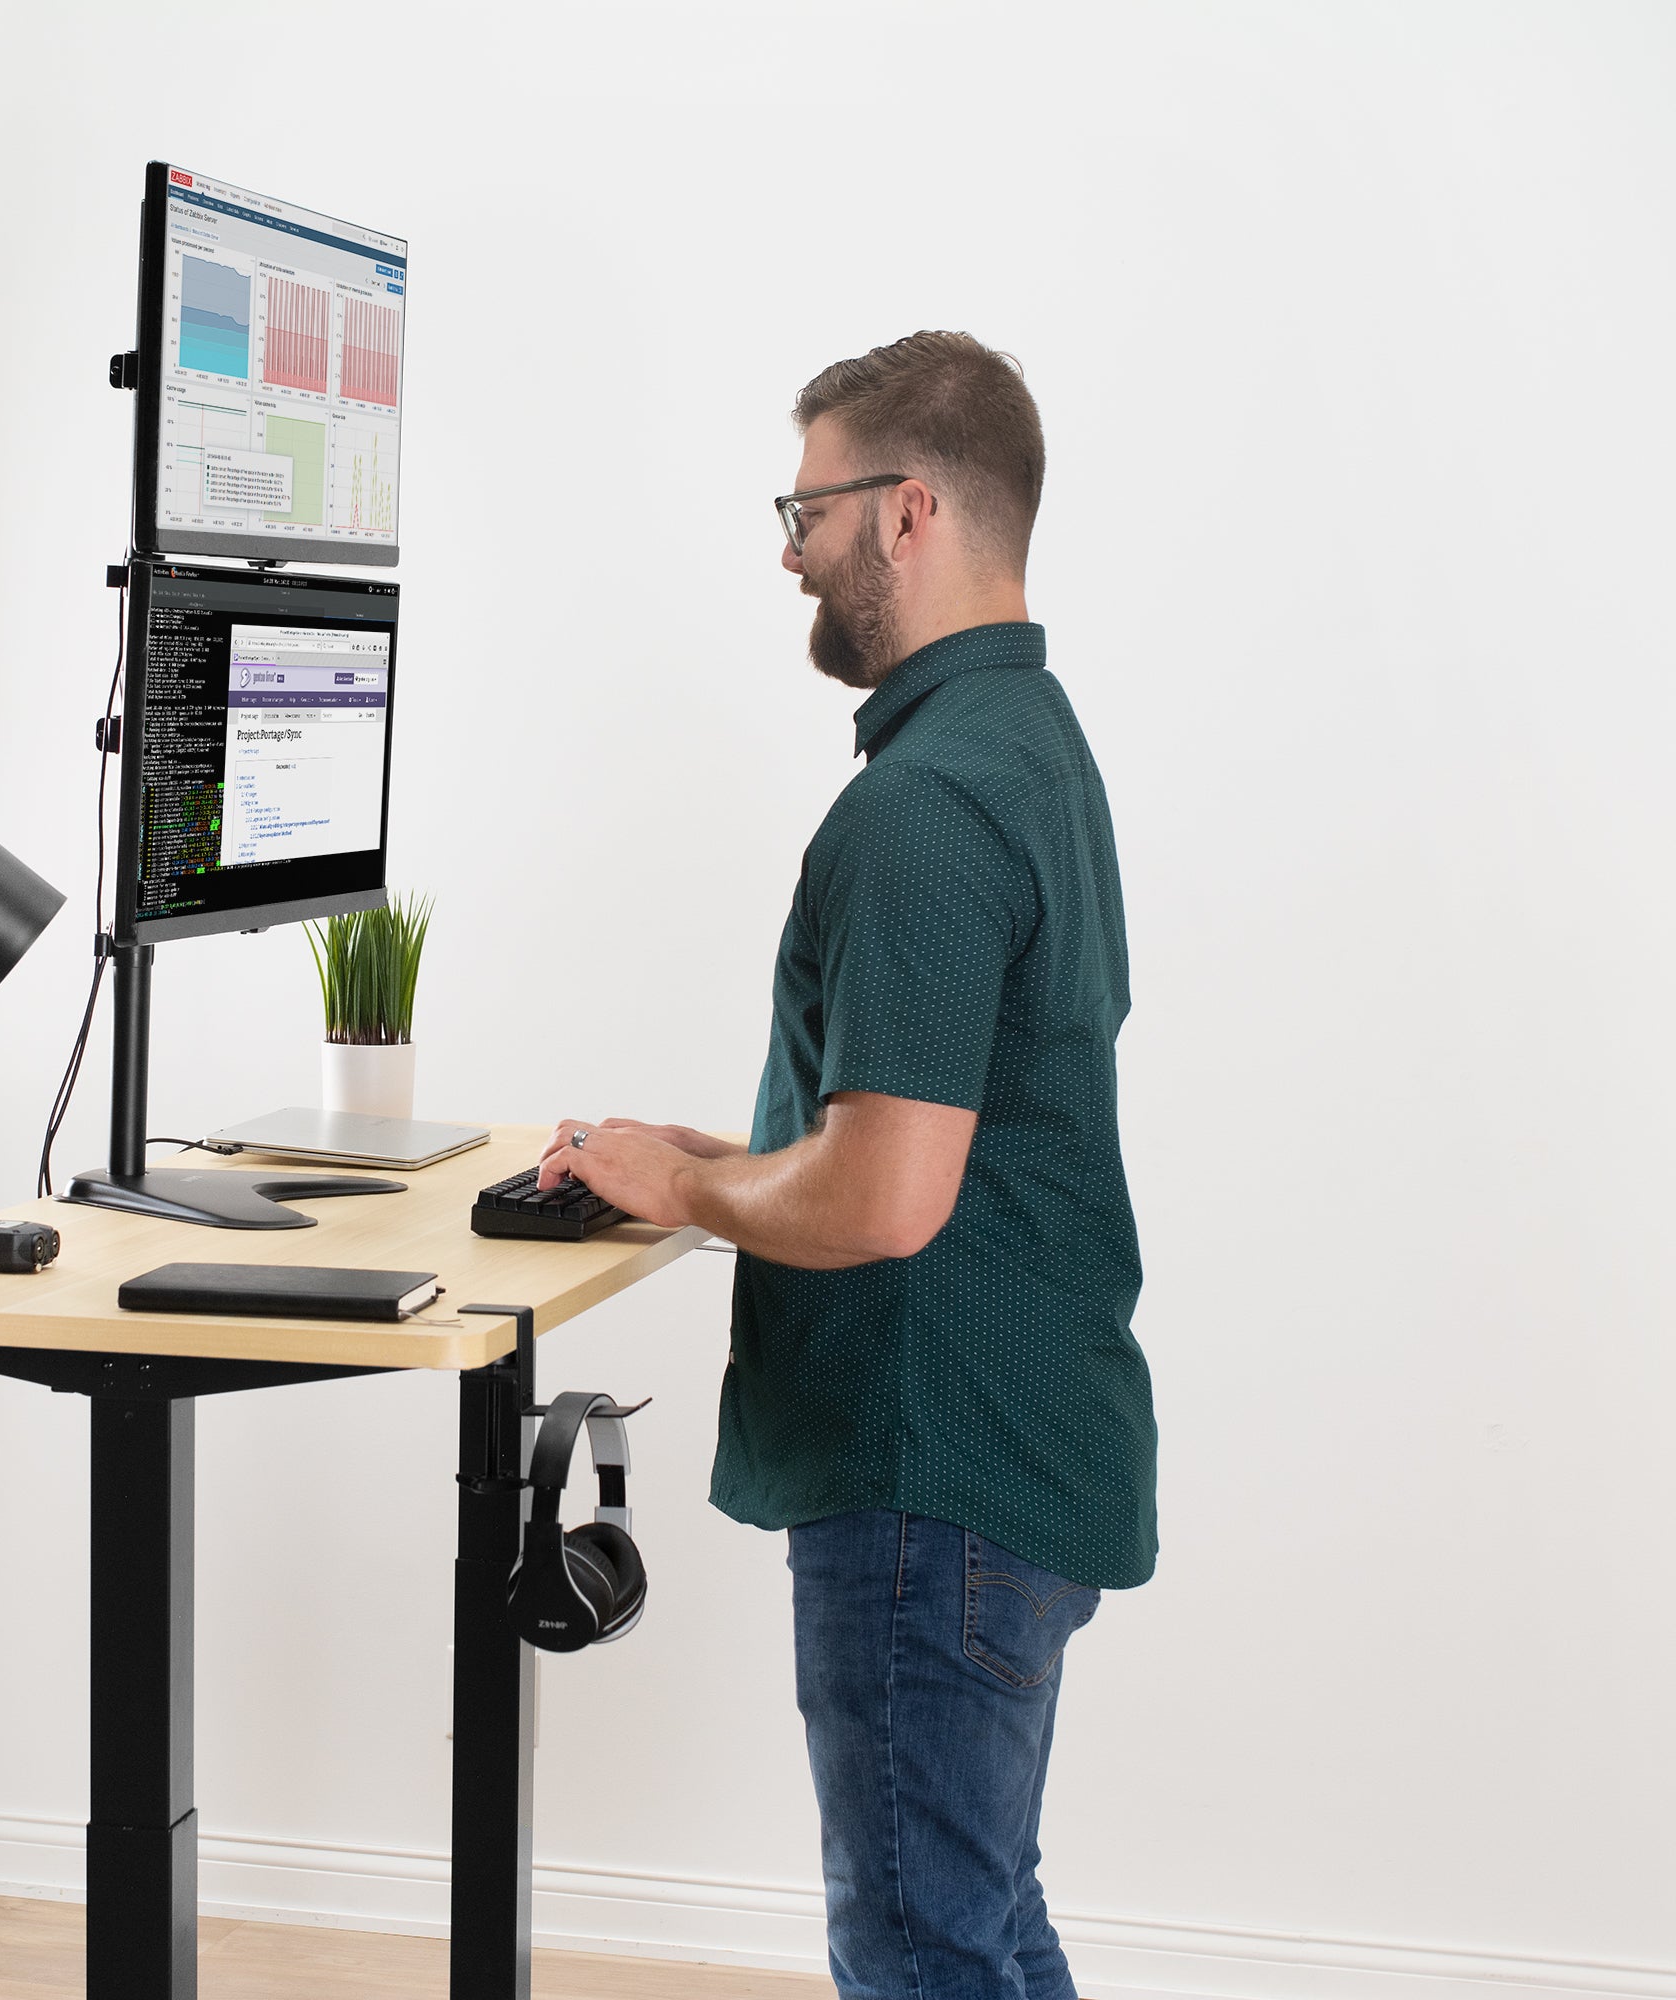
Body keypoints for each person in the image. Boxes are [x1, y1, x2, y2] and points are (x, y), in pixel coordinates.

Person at [539, 330, 1156, 2000]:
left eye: (804, 509)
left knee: (916, 1946)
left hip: (929, 1474)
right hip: (1016, 1450)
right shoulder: (1033, 743)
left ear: (909, 511)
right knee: (980, 1914)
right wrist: (724, 1157)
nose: (788, 553)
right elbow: (945, 1126)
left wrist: (685, 1193)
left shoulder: (925, 807)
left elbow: (888, 1199)